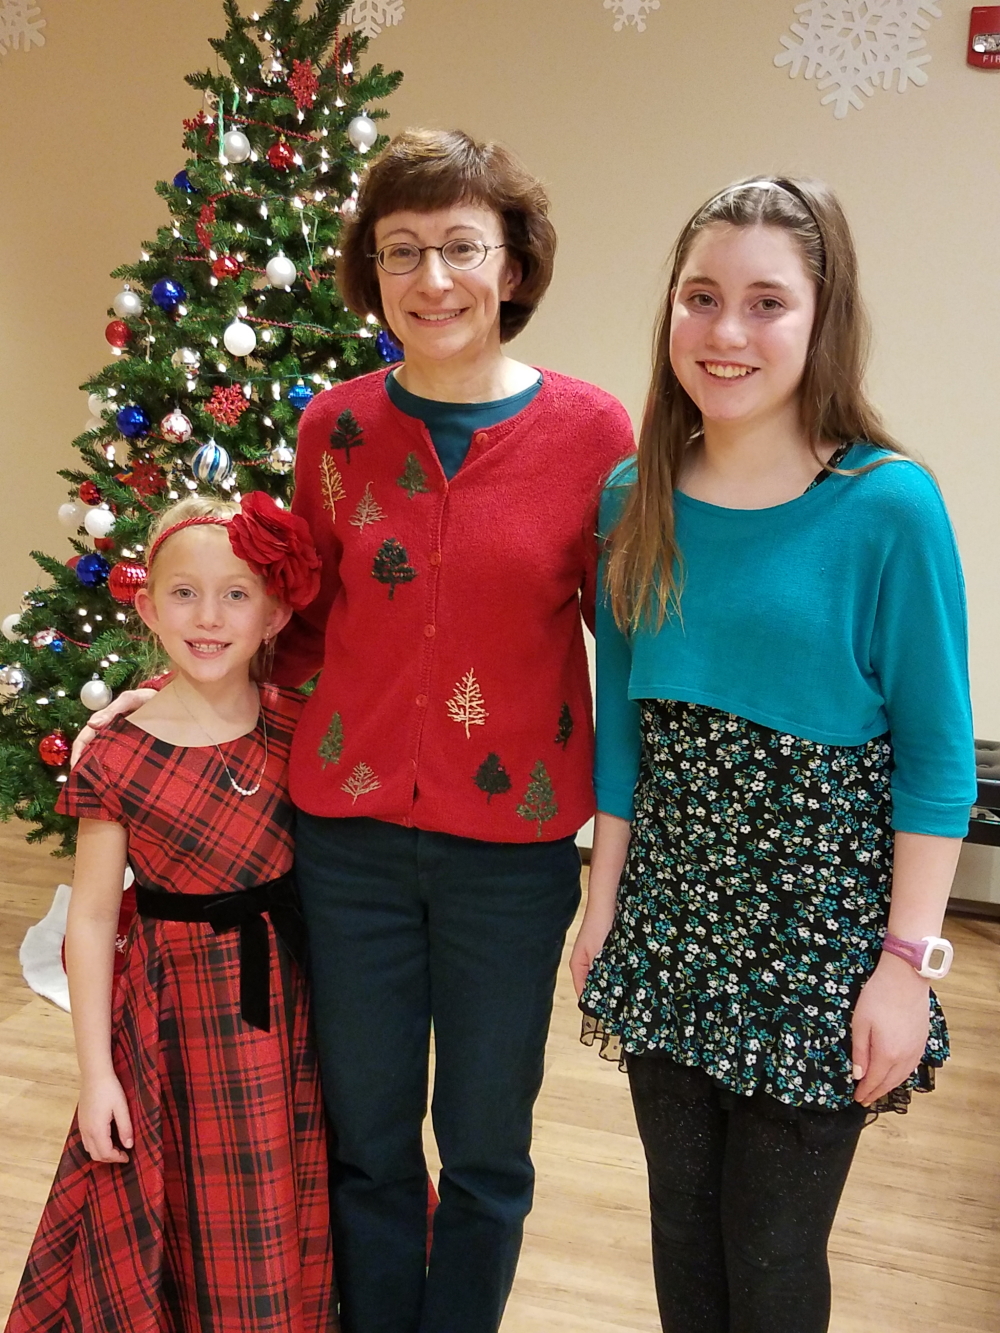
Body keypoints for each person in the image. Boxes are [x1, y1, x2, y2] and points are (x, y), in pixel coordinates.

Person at [73, 128, 634, 1333]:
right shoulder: (335, 426)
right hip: (346, 847)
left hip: (512, 849)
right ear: (371, 273)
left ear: (515, 267)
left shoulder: (594, 435)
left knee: (486, 1147)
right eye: (402, 251)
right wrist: (157, 697)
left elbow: (624, 648)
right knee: (367, 1139)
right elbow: (295, 624)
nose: (433, 278)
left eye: (461, 248)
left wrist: (614, 862)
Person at [569, 177, 976, 1333]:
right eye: (700, 297)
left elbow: (938, 762)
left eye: (765, 302)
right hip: (672, 924)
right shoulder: (628, 496)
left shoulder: (887, 507)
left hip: (820, 949)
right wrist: (602, 903)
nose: (726, 332)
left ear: (820, 317)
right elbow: (625, 728)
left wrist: (904, 962)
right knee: (682, 1238)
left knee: (772, 1252)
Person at [6, 494, 337, 1333]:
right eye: (183, 593)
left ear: (275, 613)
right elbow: (88, 922)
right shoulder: (115, 752)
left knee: (283, 1195)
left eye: (236, 594)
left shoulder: (300, 722)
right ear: (147, 605)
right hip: (171, 1024)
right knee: (185, 1206)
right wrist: (95, 1076)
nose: (209, 616)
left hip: (292, 1017)